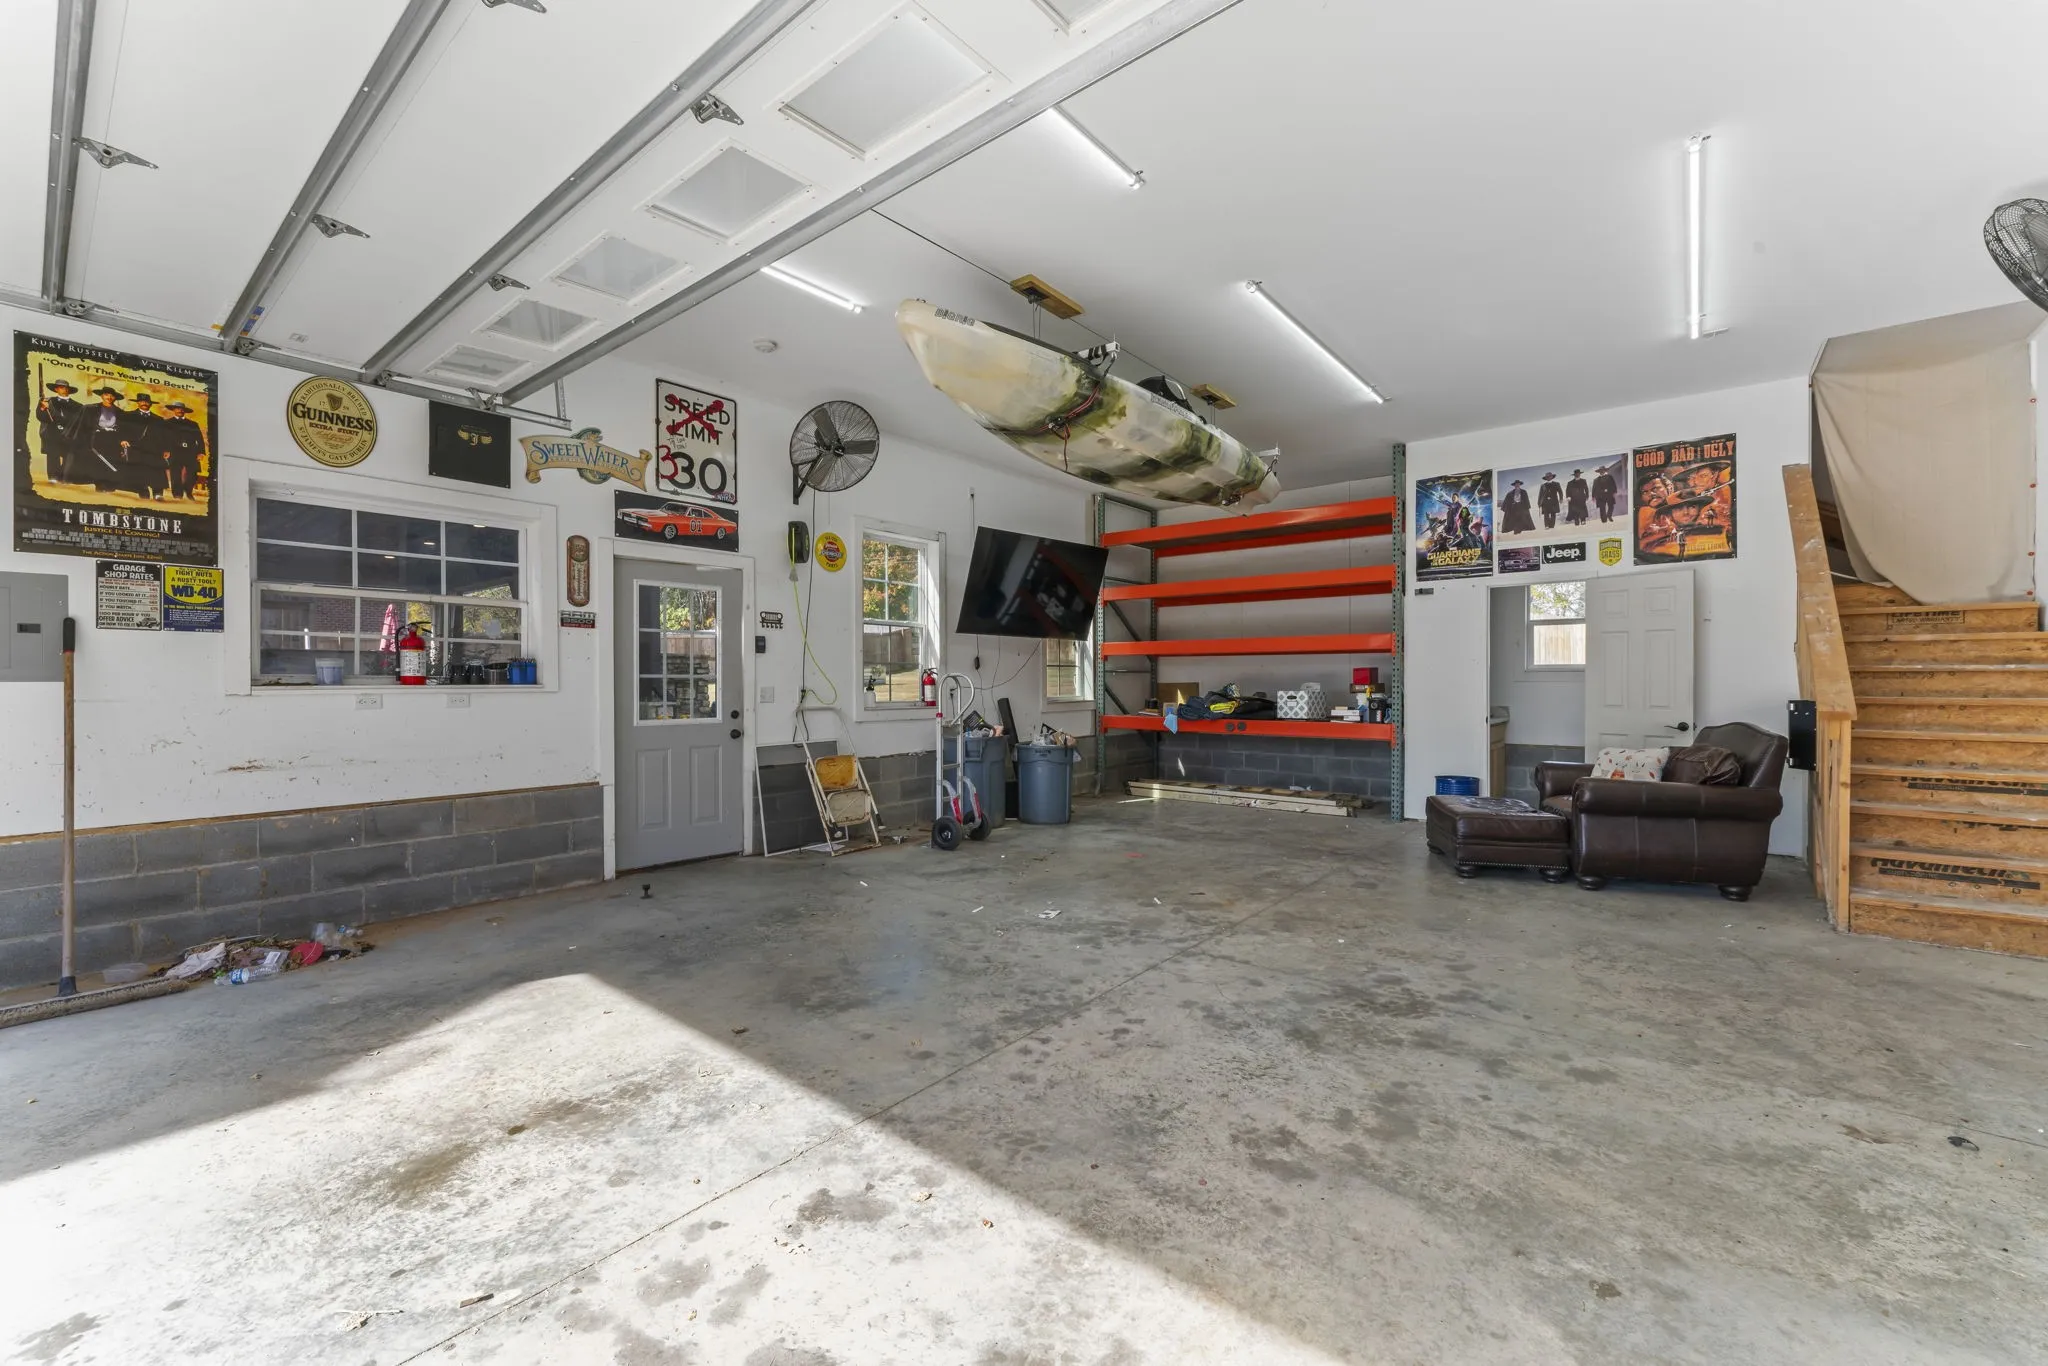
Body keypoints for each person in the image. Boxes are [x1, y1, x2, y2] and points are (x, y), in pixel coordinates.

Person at [36, 379, 85, 484]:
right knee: (52, 455)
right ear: (56, 389)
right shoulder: (47, 401)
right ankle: (53, 477)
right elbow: (40, 417)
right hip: (52, 433)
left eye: (66, 388)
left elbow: (76, 421)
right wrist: (43, 409)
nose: (64, 389)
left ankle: (62, 476)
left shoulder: (78, 406)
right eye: (61, 387)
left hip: (68, 434)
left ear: (69, 390)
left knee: (69, 455)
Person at [81, 385, 129, 491]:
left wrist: (122, 439)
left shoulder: (120, 412)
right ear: (102, 396)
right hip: (98, 438)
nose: (109, 397)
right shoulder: (92, 409)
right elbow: (86, 425)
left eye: (112, 395)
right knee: (99, 461)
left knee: (112, 461)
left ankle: (110, 486)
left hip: (113, 439)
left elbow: (123, 429)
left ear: (115, 398)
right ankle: (100, 486)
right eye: (106, 395)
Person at [160, 400, 207, 502]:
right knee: (175, 473)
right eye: (177, 408)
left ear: (184, 411)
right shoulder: (167, 423)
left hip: (191, 451)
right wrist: (165, 450)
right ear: (173, 410)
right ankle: (177, 494)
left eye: (182, 409)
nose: (180, 410)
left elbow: (199, 439)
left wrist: (201, 452)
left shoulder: (193, 424)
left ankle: (188, 490)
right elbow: (163, 438)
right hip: (175, 451)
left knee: (193, 473)